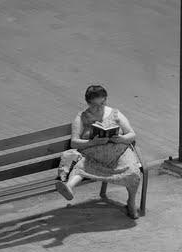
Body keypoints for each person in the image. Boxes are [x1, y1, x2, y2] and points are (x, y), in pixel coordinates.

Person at [55, 84, 141, 219]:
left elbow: (132, 134)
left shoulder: (115, 113)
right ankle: (69, 187)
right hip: (94, 156)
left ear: (106, 99)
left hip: (118, 153)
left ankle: (131, 201)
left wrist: (120, 138)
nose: (99, 107)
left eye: (102, 103)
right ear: (88, 103)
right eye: (95, 105)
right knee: (82, 165)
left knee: (133, 170)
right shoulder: (82, 117)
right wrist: (92, 142)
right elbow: (74, 142)